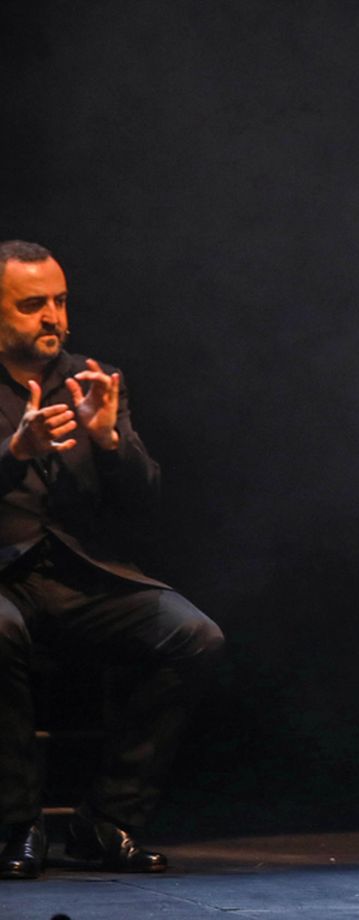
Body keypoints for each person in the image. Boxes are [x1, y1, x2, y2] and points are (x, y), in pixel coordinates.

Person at [0, 240, 225, 880]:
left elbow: (143, 501)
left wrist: (108, 441)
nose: (53, 318)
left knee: (194, 635)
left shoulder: (92, 378)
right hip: (4, 580)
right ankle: (16, 825)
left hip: (80, 578)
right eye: (32, 305)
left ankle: (108, 819)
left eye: (60, 302)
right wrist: (13, 453)